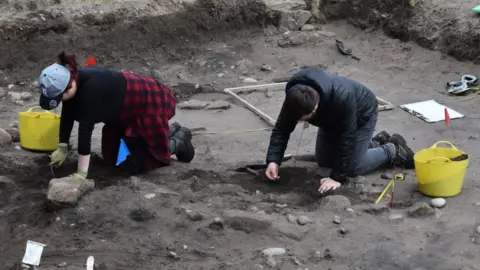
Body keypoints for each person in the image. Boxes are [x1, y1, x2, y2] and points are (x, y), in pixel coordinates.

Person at [38, 52, 195, 179]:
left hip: (147, 102)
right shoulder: (72, 84)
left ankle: (177, 142)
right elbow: (67, 114)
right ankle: (169, 131)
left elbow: (84, 134)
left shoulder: (90, 93)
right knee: (113, 158)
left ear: (69, 86)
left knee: (140, 162)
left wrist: (81, 174)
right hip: (120, 113)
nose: (59, 102)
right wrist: (62, 146)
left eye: (59, 97)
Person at [264, 67, 415, 193]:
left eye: (305, 118)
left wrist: (336, 178)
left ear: (316, 107)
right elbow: (281, 130)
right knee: (324, 161)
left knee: (352, 168)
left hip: (361, 114)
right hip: (331, 119)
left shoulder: (342, 97)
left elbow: (347, 137)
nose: (300, 121)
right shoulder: (295, 98)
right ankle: (375, 142)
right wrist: (273, 161)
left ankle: (392, 150)